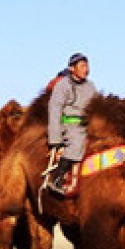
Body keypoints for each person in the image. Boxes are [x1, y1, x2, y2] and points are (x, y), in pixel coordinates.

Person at [42, 53, 95, 195]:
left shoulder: (90, 86)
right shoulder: (62, 86)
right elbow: (55, 109)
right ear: (72, 68)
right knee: (78, 142)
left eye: (87, 65)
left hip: (87, 124)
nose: (86, 69)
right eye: (82, 66)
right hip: (69, 125)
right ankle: (57, 178)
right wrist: (55, 139)